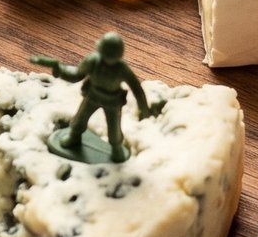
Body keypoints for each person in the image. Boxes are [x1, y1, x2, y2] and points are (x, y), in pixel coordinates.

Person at [31, 31, 161, 162]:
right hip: (93, 95)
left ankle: (116, 148)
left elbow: (137, 90)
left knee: (114, 128)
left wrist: (144, 111)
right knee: (80, 118)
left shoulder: (122, 69)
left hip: (112, 101)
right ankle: (74, 136)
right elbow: (76, 74)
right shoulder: (93, 61)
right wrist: (59, 69)